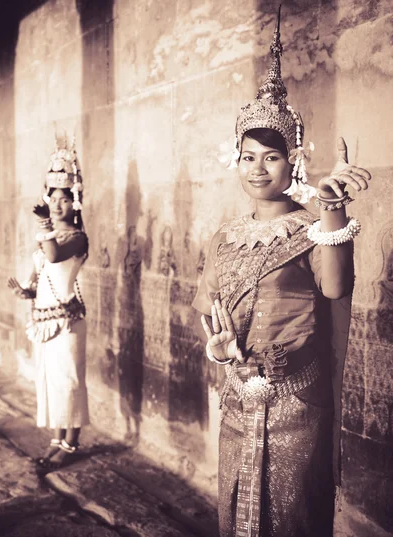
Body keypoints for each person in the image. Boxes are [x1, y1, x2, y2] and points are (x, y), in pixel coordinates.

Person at [193, 10, 371, 537]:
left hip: (298, 400)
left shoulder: (312, 225)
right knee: (237, 514)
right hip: (238, 399)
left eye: (271, 157)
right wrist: (221, 351)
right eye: (248, 156)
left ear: (292, 161)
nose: (257, 168)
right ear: (236, 159)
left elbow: (337, 288)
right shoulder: (224, 236)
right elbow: (207, 311)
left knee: (291, 519)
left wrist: (332, 207)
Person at [8, 136, 89, 470]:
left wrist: (43, 225)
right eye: (52, 198)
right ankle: (57, 438)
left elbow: (54, 256)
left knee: (69, 380)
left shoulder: (76, 238)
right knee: (51, 382)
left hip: (68, 323)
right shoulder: (48, 238)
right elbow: (43, 275)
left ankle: (71, 442)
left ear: (76, 204)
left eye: (64, 200)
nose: (57, 206)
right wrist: (27, 293)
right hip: (45, 322)